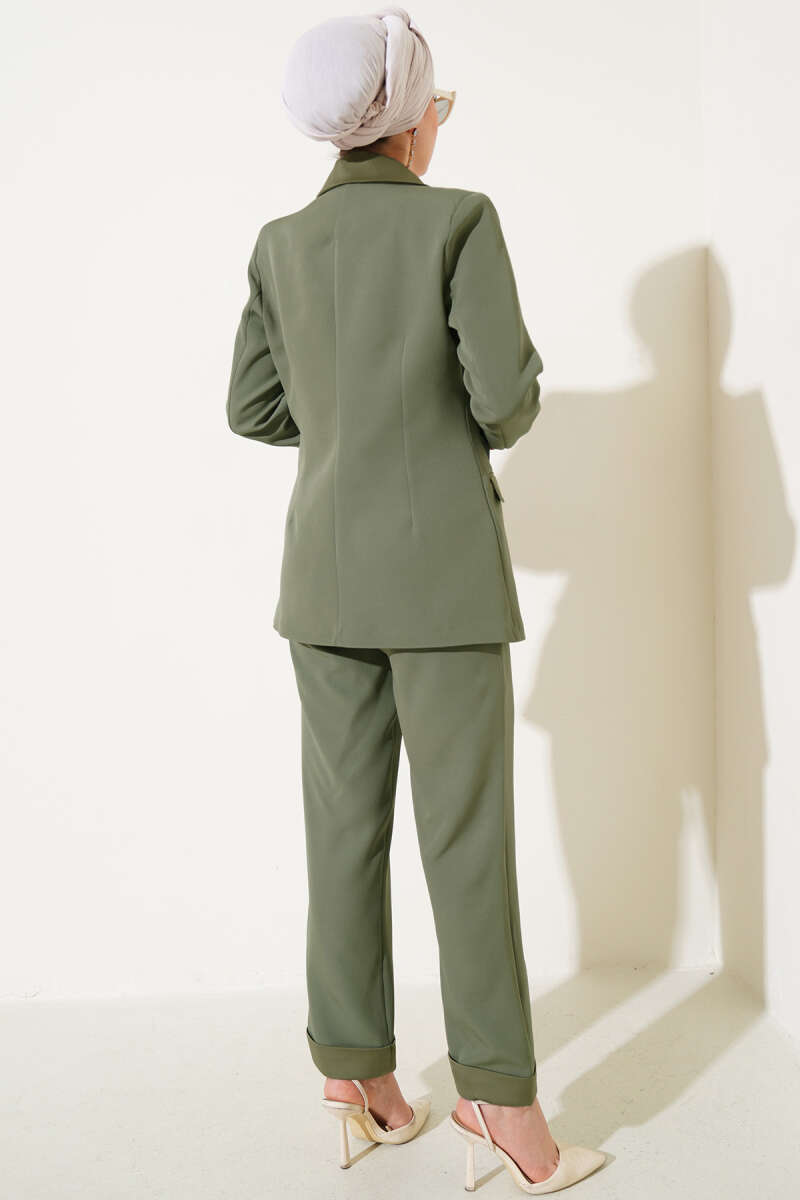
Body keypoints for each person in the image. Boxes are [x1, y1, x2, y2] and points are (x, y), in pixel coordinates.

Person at [226, 6, 607, 1193]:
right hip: (440, 582)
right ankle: (501, 1107)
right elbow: (505, 403)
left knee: (341, 834)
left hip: (320, 586)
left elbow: (252, 408)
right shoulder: (458, 221)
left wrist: (346, 421)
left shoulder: (279, 243)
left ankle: (355, 1082)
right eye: (435, 108)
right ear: (405, 122)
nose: (438, 128)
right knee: (465, 843)